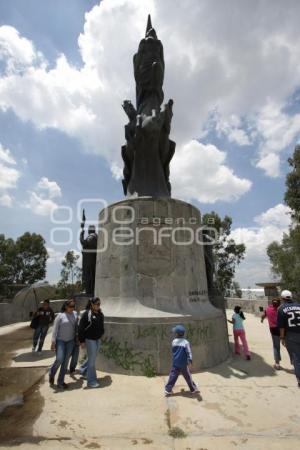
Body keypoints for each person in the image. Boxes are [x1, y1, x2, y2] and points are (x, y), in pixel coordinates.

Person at [49, 298, 77, 390]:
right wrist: (53, 342)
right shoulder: (60, 316)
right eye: (70, 306)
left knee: (65, 363)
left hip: (71, 341)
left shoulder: (75, 314)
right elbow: (55, 329)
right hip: (60, 341)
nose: (72, 308)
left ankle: (60, 381)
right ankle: (52, 373)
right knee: (60, 359)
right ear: (65, 306)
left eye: (73, 306)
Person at [164, 325, 200, 396]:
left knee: (173, 376)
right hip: (183, 363)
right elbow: (189, 352)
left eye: (175, 333)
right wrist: (190, 360)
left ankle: (168, 389)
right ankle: (193, 388)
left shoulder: (173, 341)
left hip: (175, 362)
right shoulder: (186, 342)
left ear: (176, 334)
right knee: (188, 376)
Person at [78, 297, 104, 388]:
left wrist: (101, 333)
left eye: (99, 304)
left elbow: (101, 325)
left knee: (93, 357)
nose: (98, 305)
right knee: (92, 361)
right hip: (90, 340)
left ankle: (83, 370)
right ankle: (91, 381)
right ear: (92, 304)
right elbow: (80, 328)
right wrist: (81, 341)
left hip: (97, 339)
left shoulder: (100, 314)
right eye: (97, 304)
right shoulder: (87, 314)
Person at [277, 290, 300, 388]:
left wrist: (282, 337)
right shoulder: (299, 306)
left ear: (282, 298)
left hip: (291, 335)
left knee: (296, 358)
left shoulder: (281, 308)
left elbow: (281, 326)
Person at [261, 298, 282, 369]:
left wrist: (262, 319)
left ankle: (277, 364)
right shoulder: (281, 309)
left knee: (276, 346)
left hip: (274, 330)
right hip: (283, 329)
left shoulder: (268, 309)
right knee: (290, 346)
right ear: (279, 303)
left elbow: (263, 315)